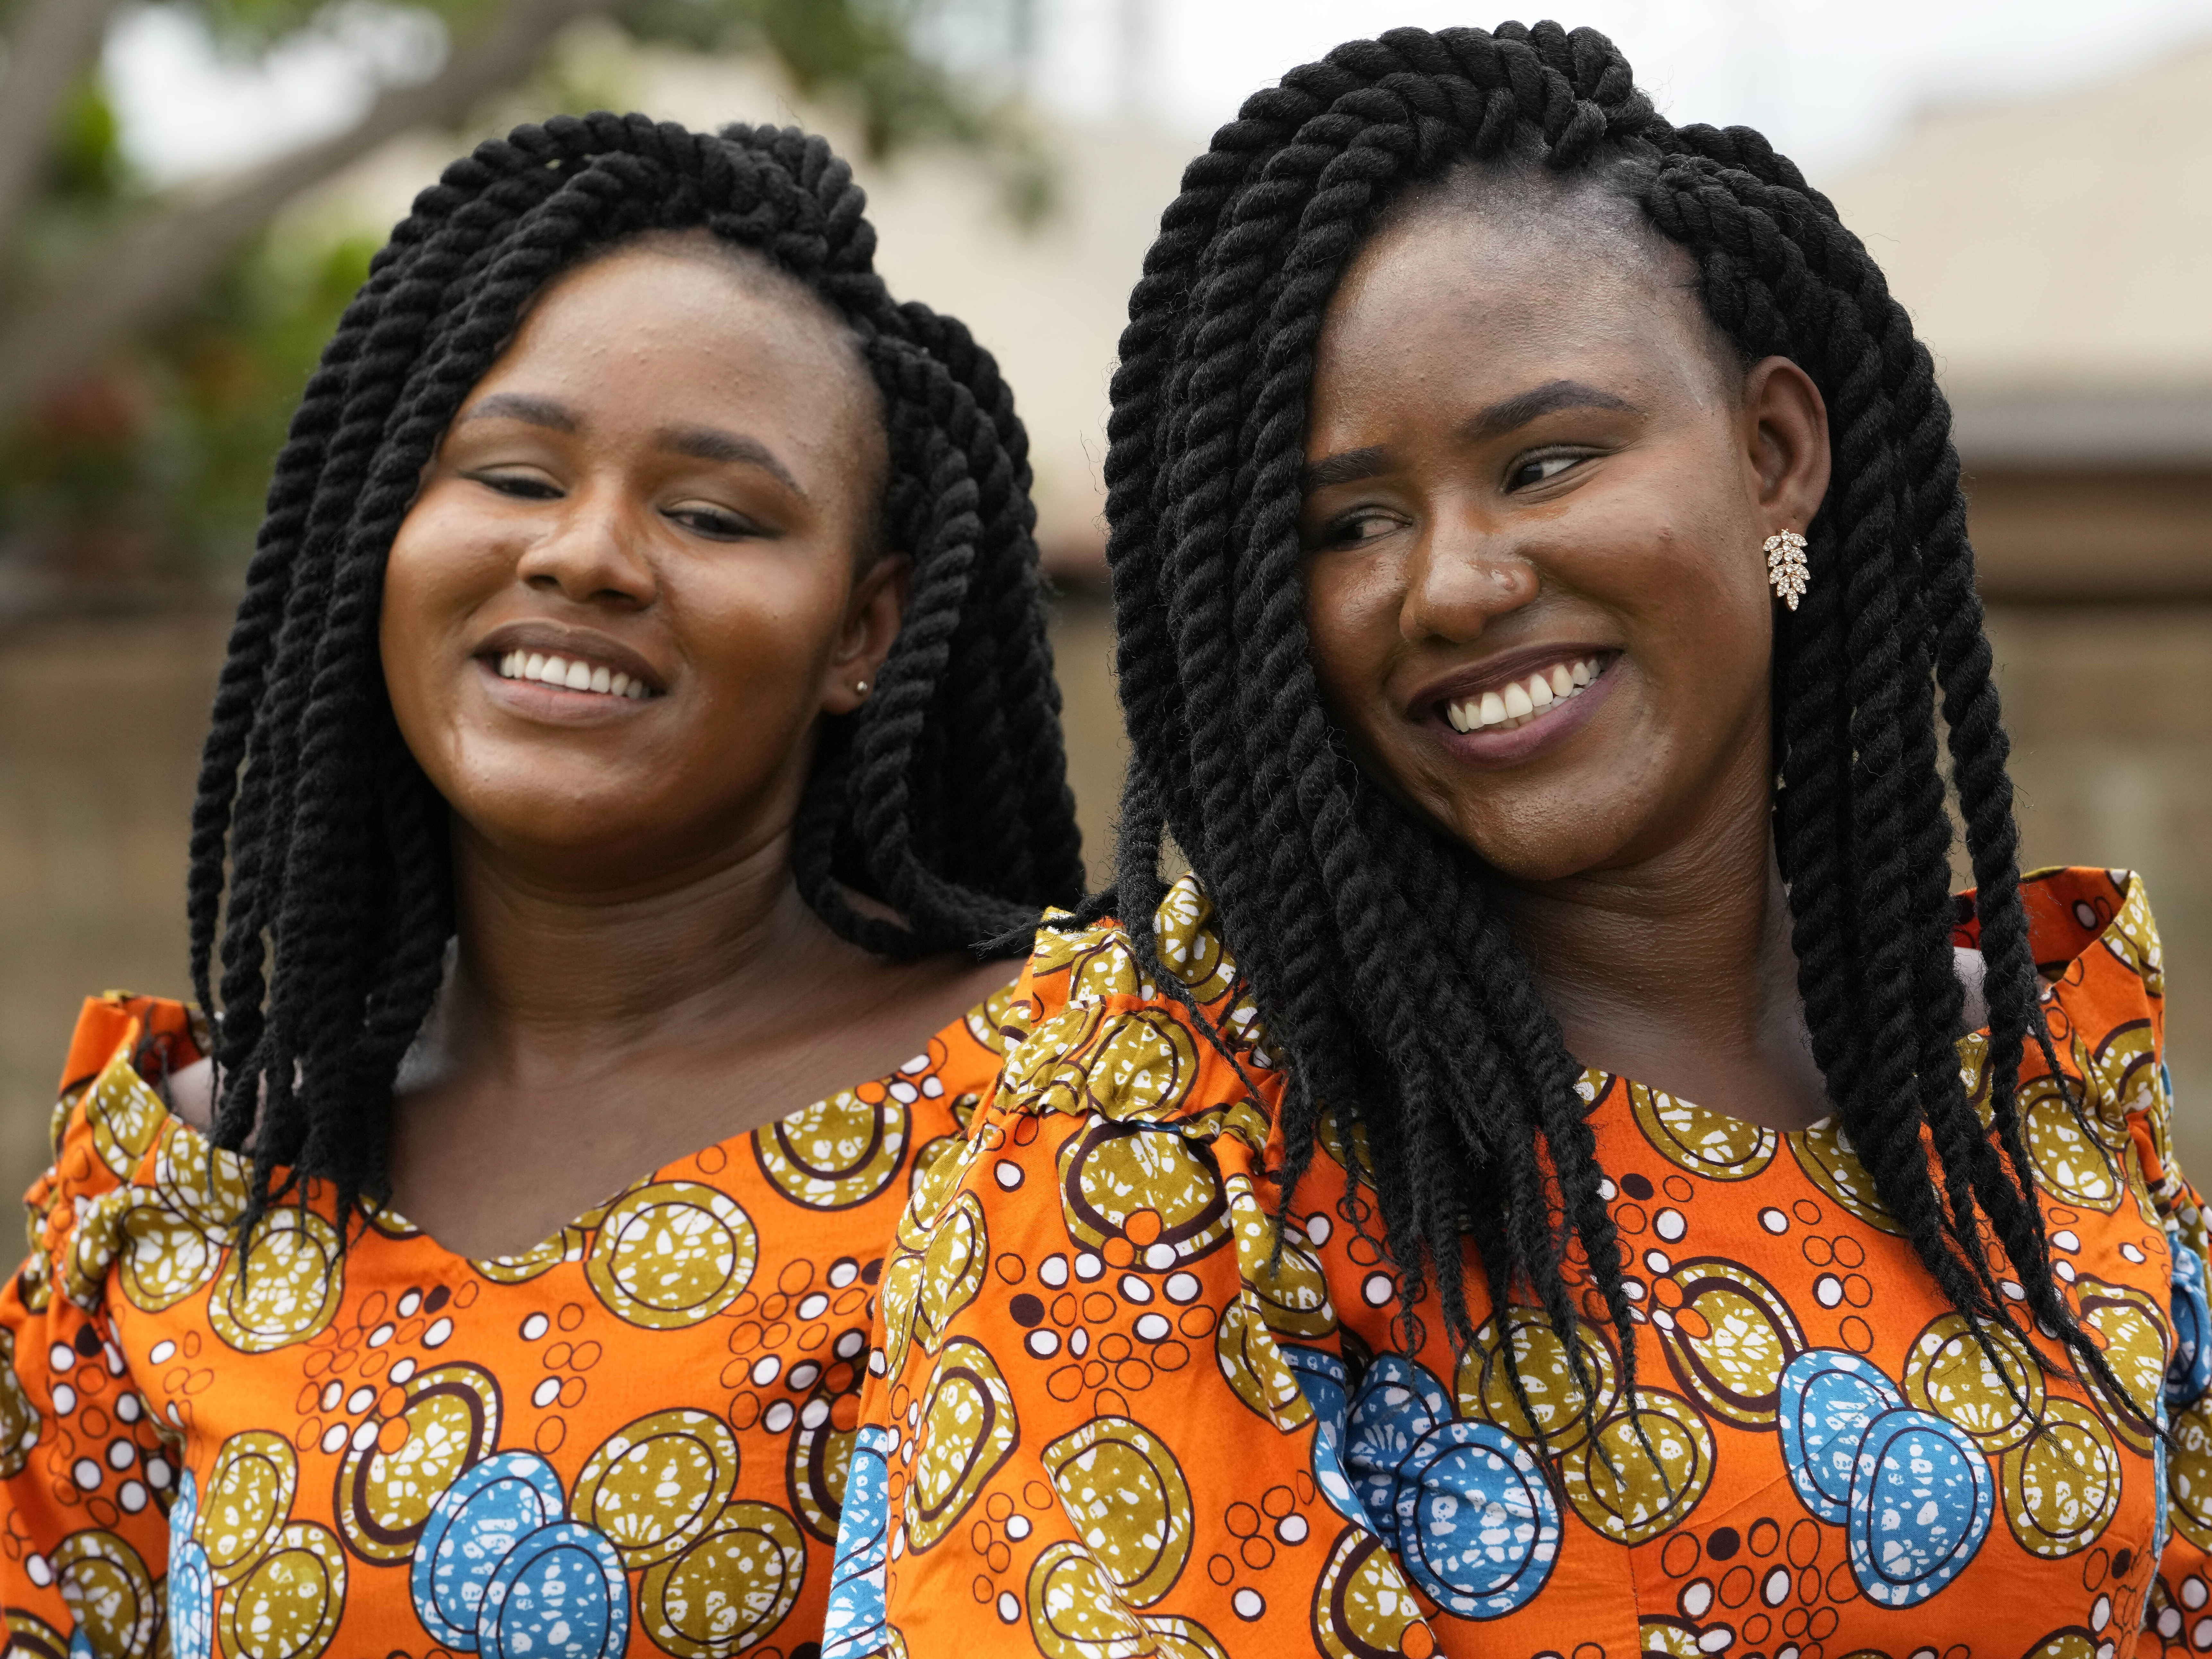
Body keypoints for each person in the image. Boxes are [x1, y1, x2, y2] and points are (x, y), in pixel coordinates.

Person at [826, 22, 2212, 1657]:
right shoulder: (1165, 1132)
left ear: (1774, 454)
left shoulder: (2015, 1084)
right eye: (1349, 524)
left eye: (1544, 463)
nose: (1457, 582)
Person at [0, 114, 1083, 1659]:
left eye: (712, 515)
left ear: (866, 632)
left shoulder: (1060, 1106)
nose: (587, 555)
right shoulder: (189, 1176)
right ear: (384, 523)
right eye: (511, 476)